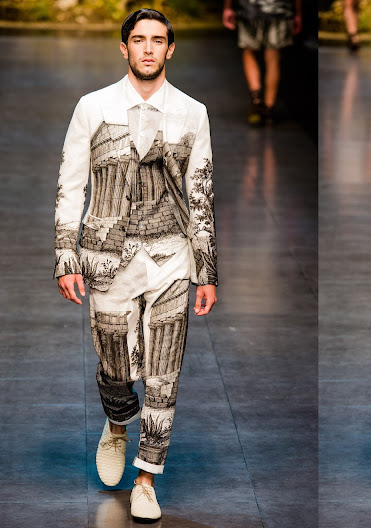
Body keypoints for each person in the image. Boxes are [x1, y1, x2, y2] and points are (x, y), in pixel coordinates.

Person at [54, 8, 218, 522]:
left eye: (158, 40)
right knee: (116, 368)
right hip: (106, 257)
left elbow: (201, 193)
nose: (149, 48)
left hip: (172, 257)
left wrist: (206, 270)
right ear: (124, 48)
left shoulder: (193, 112)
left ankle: (146, 479)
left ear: (170, 49)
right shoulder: (93, 107)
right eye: (139, 40)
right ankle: (117, 422)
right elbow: (71, 184)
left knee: (165, 372)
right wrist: (65, 255)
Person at [223, 0, 302, 126]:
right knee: (273, 58)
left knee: (249, 51)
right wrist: (297, 12)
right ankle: (269, 108)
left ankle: (257, 100)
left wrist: (228, 7)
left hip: (250, 9)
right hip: (279, 9)